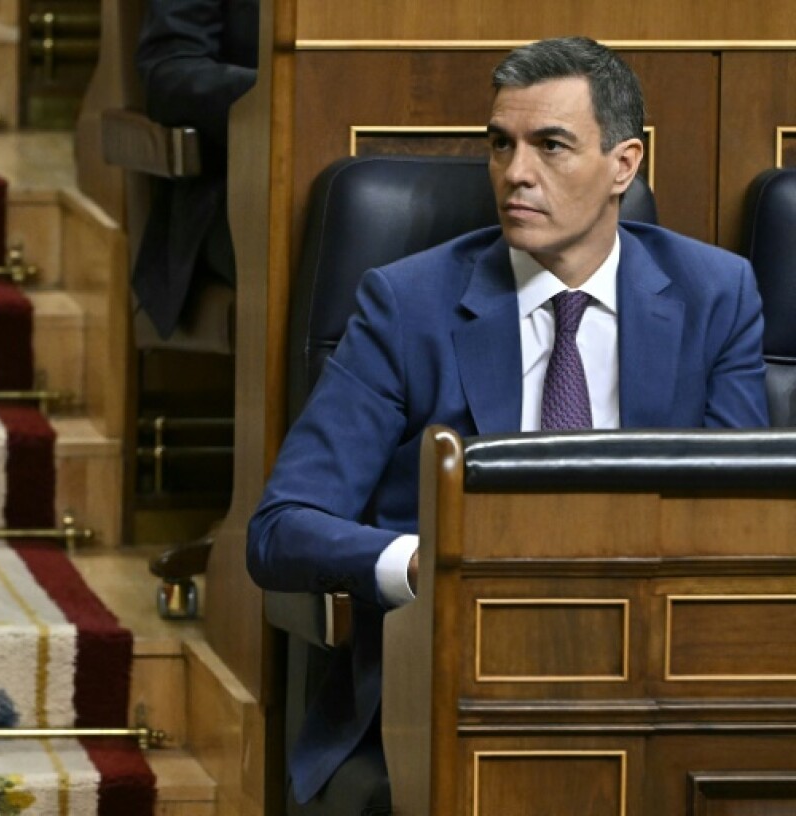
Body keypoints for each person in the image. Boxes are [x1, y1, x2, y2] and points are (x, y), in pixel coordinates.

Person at [246, 36, 769, 810]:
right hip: (460, 667)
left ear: (623, 164)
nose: (515, 172)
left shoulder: (714, 295)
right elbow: (281, 528)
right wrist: (427, 565)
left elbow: (740, 521)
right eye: (501, 144)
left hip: (652, 666)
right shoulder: (408, 305)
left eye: (550, 146)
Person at [132, 0, 258, 341]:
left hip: (384, 174)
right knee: (342, 240)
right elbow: (169, 71)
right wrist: (275, 91)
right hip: (232, 194)